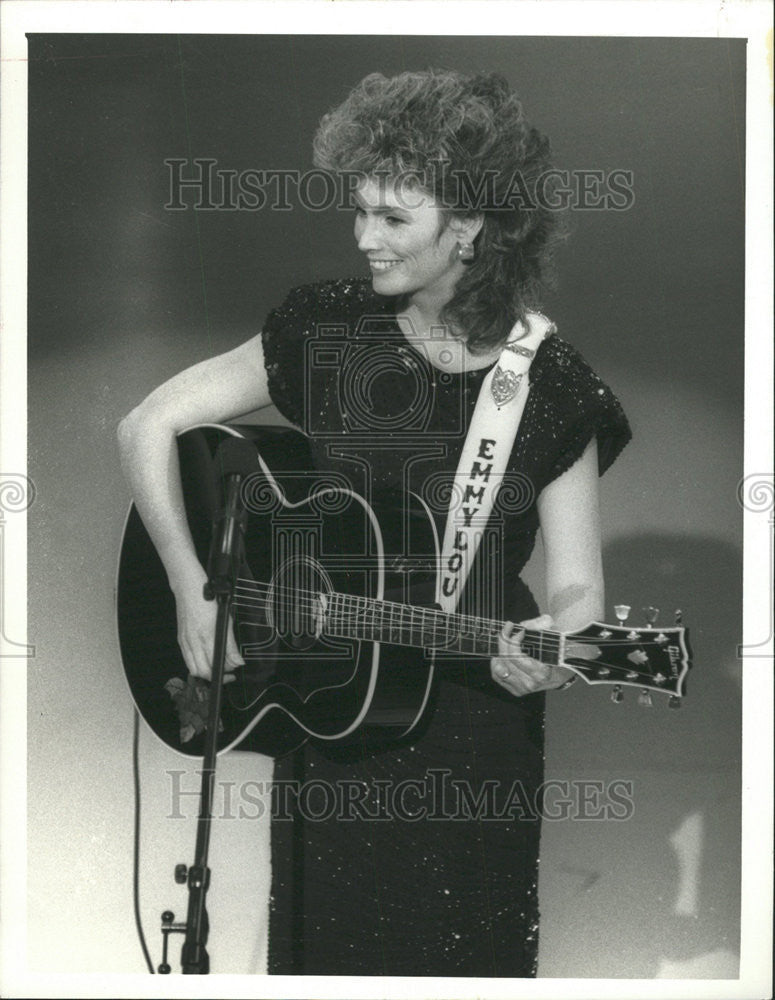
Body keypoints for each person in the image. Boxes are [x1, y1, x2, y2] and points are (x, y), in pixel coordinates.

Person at [118, 69, 631, 977]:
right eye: (360, 212)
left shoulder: (549, 384)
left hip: (473, 739)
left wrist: (558, 644)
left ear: (468, 228)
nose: (364, 239)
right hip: (336, 718)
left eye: (393, 219)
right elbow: (147, 424)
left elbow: (579, 591)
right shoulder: (327, 330)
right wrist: (190, 588)